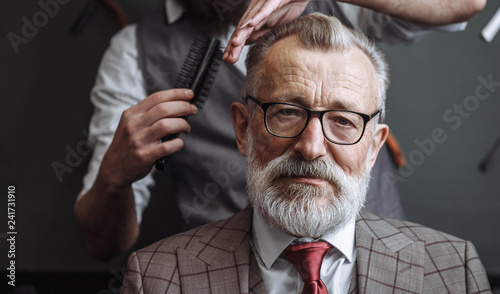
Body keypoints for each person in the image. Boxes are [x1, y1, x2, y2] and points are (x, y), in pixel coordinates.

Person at [74, 0, 486, 262]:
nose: (311, 147)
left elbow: (466, 3)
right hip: (227, 273)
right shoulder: (135, 51)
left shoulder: (341, 8)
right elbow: (103, 244)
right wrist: (113, 176)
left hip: (376, 266)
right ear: (242, 126)